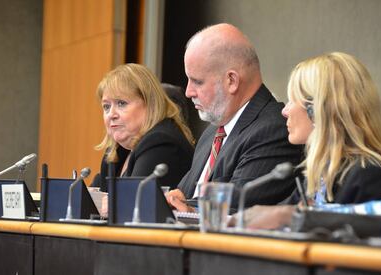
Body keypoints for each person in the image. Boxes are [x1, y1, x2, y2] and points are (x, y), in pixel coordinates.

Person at [232, 52, 381, 229]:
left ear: (318, 111)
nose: (284, 111)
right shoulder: (318, 175)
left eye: (292, 100)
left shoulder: (370, 176)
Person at [167, 23, 303, 211]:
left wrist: (189, 209)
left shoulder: (273, 130)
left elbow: (240, 208)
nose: (189, 92)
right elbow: (184, 194)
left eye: (197, 81)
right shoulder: (212, 133)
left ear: (231, 81)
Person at [91, 63, 195, 192]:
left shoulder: (161, 143)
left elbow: (133, 204)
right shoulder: (116, 152)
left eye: (121, 103)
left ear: (150, 104)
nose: (111, 114)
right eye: (106, 106)